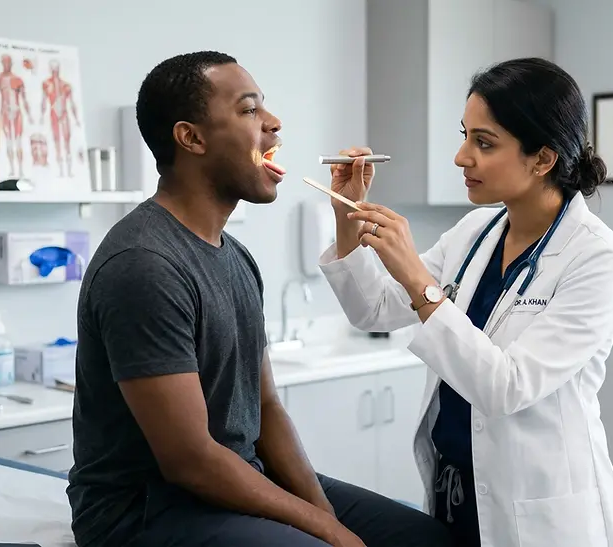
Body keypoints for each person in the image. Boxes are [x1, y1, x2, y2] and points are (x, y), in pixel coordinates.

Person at [66, 51, 452, 547]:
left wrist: (324, 511)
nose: (273, 124)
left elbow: (266, 405)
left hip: (232, 480)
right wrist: (331, 532)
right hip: (143, 510)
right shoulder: (145, 265)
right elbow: (190, 460)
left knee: (423, 539)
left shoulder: (236, 258)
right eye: (249, 111)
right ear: (191, 137)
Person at [318, 57, 613, 547]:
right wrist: (347, 218)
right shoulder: (475, 233)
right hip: (457, 492)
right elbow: (374, 310)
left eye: (483, 143)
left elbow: (507, 387)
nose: (461, 157)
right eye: (465, 135)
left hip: (534, 512)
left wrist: (418, 280)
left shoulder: (596, 258)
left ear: (542, 159)